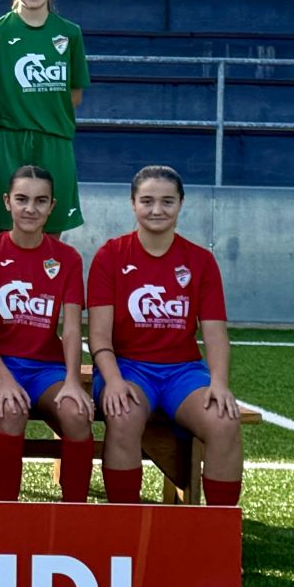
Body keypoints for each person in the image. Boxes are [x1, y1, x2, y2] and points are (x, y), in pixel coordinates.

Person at [86, 165, 242, 506]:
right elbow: (98, 337)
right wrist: (112, 381)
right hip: (128, 368)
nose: (157, 210)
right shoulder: (110, 257)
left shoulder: (200, 261)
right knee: (123, 416)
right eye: (147, 201)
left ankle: (217, 532)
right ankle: (124, 522)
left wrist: (219, 382)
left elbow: (214, 333)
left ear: (181, 204)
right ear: (133, 204)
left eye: (167, 201)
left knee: (224, 422)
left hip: (182, 373)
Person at [0, 164, 93, 503]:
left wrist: (71, 381)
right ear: (7, 202)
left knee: (77, 415)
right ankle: (6, 509)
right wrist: (6, 381)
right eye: (22, 199)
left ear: (52, 207)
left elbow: (69, 328)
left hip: (44, 369)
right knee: (11, 410)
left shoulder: (67, 258)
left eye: (40, 201)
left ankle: (75, 509)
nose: (30, 209)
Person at [0, 0, 89, 235]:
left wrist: (45, 117)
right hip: (8, 142)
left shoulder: (70, 33)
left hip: (55, 142)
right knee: (4, 233)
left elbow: (74, 93)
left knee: (52, 234)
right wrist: (6, 127)